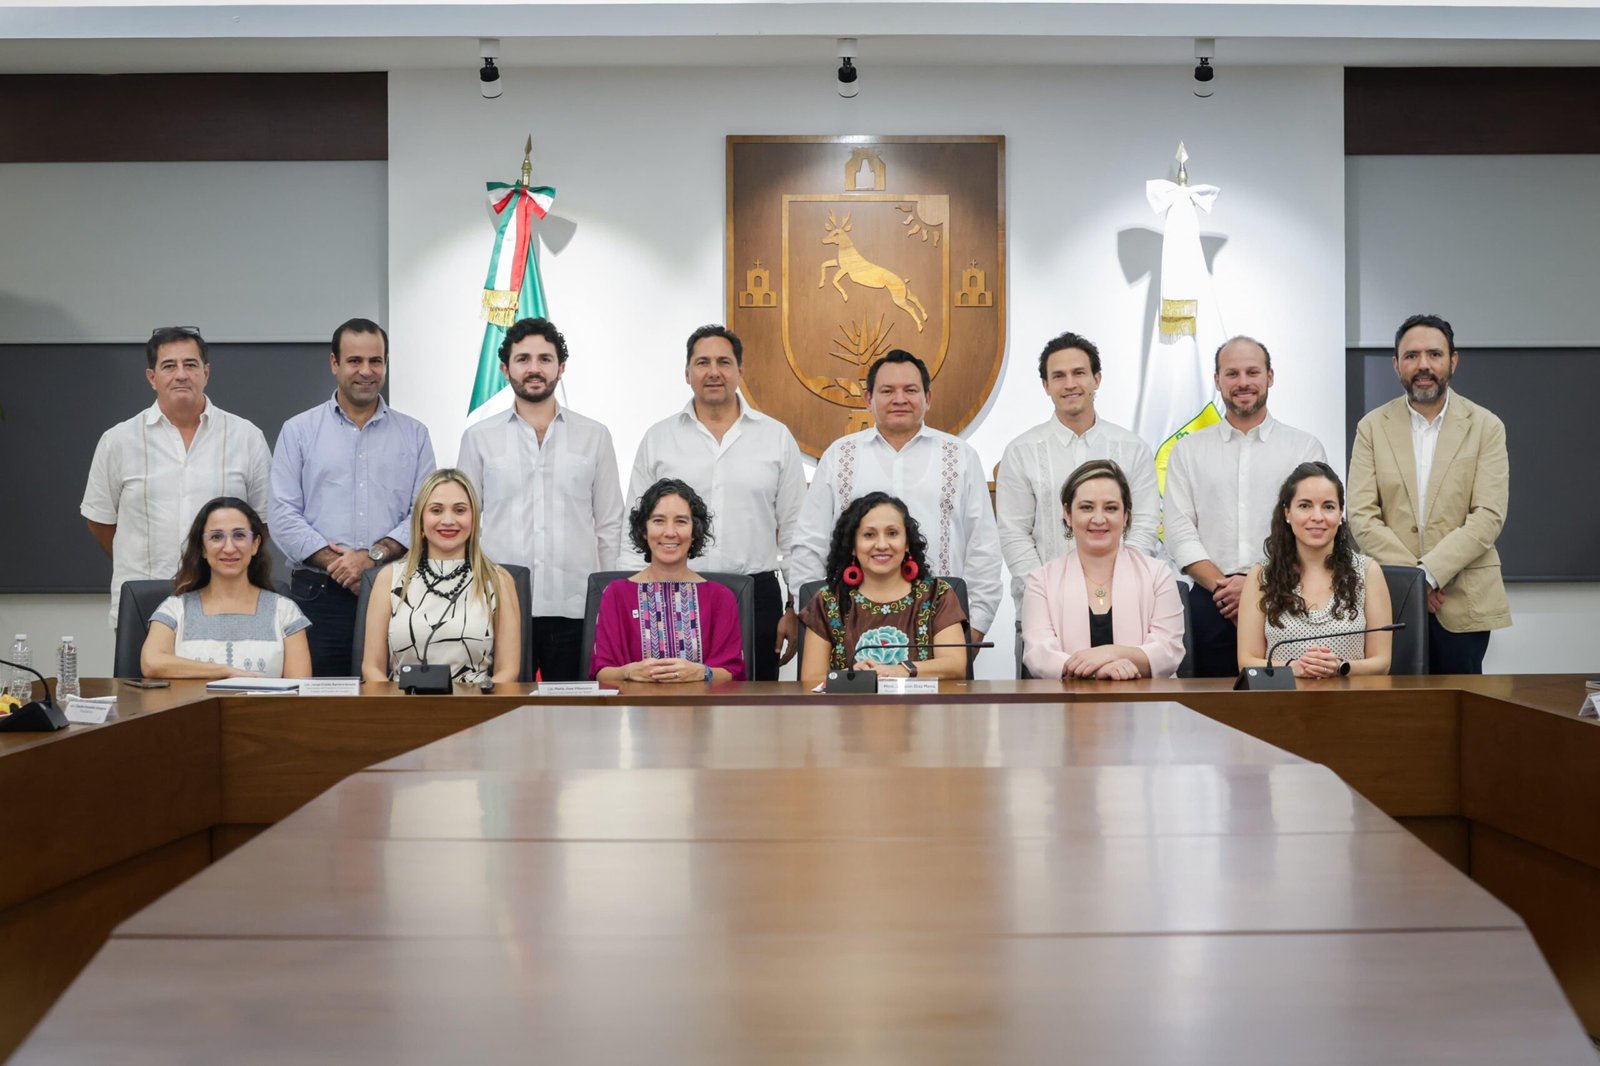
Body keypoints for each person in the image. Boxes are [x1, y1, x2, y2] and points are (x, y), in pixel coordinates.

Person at [625, 324, 807, 680]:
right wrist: (631, 601)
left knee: (753, 704)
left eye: (724, 362)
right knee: (672, 701)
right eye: (702, 362)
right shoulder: (659, 438)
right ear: (687, 373)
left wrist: (795, 607)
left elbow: (796, 532)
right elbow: (635, 530)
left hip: (755, 597)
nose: (713, 372)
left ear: (740, 371)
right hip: (670, 593)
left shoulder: (776, 437)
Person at [792, 349, 1003, 646]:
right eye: (887, 390)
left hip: (941, 623)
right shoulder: (840, 456)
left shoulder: (960, 457)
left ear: (928, 398)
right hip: (850, 624)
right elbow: (809, 544)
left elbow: (983, 547)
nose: (899, 399)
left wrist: (975, 627)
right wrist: (819, 623)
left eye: (910, 390)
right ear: (868, 399)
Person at [457, 317, 624, 682]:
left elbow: (611, 525)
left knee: (573, 711)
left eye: (545, 359)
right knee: (500, 710)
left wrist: (609, 601)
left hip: (576, 607)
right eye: (523, 359)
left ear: (561, 368)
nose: (534, 368)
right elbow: (464, 525)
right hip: (499, 606)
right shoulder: (478, 438)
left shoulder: (594, 436)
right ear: (505, 369)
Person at [271, 318, 435, 676]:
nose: (366, 371)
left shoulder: (415, 435)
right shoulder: (298, 431)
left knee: (393, 698)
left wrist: (372, 557)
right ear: (334, 363)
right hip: (318, 598)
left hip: (397, 593)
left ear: (386, 364)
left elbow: (424, 514)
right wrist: (342, 566)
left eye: (375, 361)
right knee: (318, 700)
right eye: (354, 361)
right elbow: (283, 515)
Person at [1347, 313, 1509, 674]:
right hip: (1391, 598)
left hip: (1462, 598)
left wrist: (1431, 574)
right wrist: (1414, 581)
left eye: (1434, 354)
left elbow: (1488, 516)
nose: (1423, 365)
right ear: (1396, 364)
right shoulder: (1371, 427)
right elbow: (1361, 515)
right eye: (1411, 355)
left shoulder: (1486, 426)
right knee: (1395, 703)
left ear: (1453, 361)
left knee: (1461, 701)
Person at [82, 326, 272, 628]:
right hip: (143, 601)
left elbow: (263, 521)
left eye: (190, 365)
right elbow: (100, 521)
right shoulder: (118, 441)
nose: (181, 375)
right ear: (152, 378)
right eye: (169, 366)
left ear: (206, 373)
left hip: (225, 599)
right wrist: (139, 558)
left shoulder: (246, 437)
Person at [1162, 336, 1327, 677]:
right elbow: (1179, 531)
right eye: (1232, 373)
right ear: (1217, 380)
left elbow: (1315, 527)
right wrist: (1224, 588)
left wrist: (1255, 589)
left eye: (1252, 372)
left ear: (1270, 377)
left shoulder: (1304, 448)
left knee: (1286, 699)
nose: (1242, 382)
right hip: (1212, 601)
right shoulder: (1188, 450)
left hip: (1287, 595)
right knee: (1211, 704)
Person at [996, 330, 1161, 613]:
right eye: (1059, 376)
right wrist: (1046, 591)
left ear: (1097, 379)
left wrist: (1119, 584)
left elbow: (1144, 526)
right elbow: (1014, 534)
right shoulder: (1021, 451)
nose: (1070, 384)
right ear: (1046, 385)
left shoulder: (1133, 449)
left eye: (1079, 373)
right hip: (1045, 608)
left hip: (1123, 605)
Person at [1019, 460, 1185, 681]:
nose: (1099, 519)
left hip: (1146, 700)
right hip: (1067, 701)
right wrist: (1098, 671)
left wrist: (1110, 653)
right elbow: (1039, 655)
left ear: (1125, 516)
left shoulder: (1158, 574)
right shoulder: (1041, 580)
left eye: (1111, 508)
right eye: (1087, 507)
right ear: (1068, 513)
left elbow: (1169, 650)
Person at [360, 469, 520, 687]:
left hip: (477, 703)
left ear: (474, 518)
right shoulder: (389, 578)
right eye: (436, 510)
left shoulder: (498, 580)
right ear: (420, 520)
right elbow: (372, 668)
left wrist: (473, 702)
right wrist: (397, 703)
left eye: (460, 510)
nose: (448, 520)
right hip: (402, 703)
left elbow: (508, 671)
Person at [1238, 462, 1394, 677]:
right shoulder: (1262, 574)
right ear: (1287, 512)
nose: (1318, 517)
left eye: (1328, 507)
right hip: (1284, 696)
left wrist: (1340, 667)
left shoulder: (1367, 571)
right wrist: (1294, 668)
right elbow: (1246, 662)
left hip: (1350, 695)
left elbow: (1382, 662)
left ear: (1340, 514)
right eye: (1305, 506)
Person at [798, 491, 968, 686]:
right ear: (853, 545)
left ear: (907, 543)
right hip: (849, 706)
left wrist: (900, 670)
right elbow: (810, 680)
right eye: (869, 535)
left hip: (922, 705)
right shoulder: (828, 602)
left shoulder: (937, 595)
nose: (881, 545)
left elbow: (955, 665)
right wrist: (852, 676)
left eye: (892, 533)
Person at [590, 478, 745, 684]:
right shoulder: (616, 594)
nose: (670, 532)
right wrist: (628, 672)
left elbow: (733, 673)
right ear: (643, 530)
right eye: (658, 521)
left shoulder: (721, 597)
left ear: (694, 531)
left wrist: (702, 673)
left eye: (681, 521)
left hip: (702, 705)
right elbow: (601, 672)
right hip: (631, 704)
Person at [140, 497, 310, 679]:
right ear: (202, 548)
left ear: (255, 544)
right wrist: (225, 671)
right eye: (216, 537)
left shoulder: (285, 612)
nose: (229, 548)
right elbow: (151, 663)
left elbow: (299, 688)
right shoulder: (175, 609)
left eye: (239, 535)